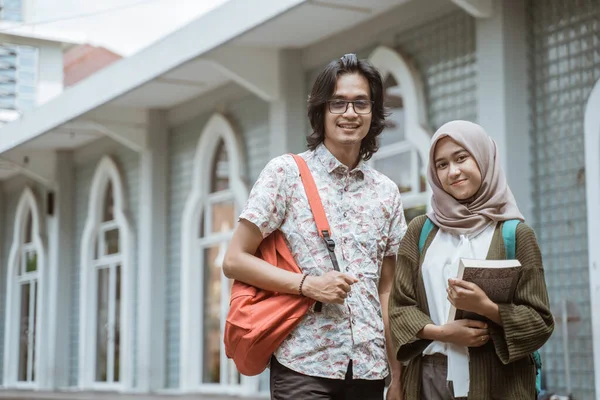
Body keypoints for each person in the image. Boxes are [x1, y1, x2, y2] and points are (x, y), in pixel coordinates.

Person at [223, 53, 407, 400]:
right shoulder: (286, 174)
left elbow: (387, 290)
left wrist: (397, 375)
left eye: (360, 103)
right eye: (338, 103)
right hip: (303, 365)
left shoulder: (387, 193)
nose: (350, 113)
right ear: (321, 111)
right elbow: (234, 260)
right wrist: (309, 285)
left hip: (369, 368)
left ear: (373, 112)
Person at [388, 120, 554, 400]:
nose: (453, 172)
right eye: (441, 165)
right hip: (429, 379)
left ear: (483, 158)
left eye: (461, 158)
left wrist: (487, 308)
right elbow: (399, 308)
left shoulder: (515, 234)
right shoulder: (420, 231)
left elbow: (540, 321)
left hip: (497, 382)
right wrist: (443, 333)